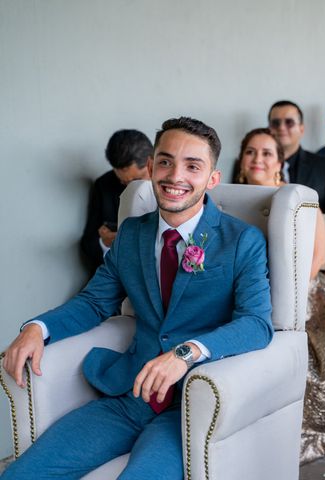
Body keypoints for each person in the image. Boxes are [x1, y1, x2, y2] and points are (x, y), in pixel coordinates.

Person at [1, 117, 273, 479]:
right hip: (129, 397)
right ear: (150, 167)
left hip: (190, 409)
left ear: (212, 179)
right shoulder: (131, 234)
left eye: (192, 166)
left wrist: (184, 353)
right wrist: (37, 328)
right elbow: (95, 302)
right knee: (22, 475)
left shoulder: (242, 240)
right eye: (165, 161)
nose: (175, 176)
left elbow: (256, 324)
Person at [235, 128, 325, 462]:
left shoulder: (300, 199)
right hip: (245, 292)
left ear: (279, 162)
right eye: (251, 152)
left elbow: (317, 257)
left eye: (267, 153)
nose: (258, 159)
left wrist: (283, 300)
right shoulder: (228, 199)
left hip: (302, 290)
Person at [80, 129, 152, 274]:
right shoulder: (104, 184)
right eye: (123, 181)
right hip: (117, 276)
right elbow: (88, 243)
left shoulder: (173, 184)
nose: (130, 188)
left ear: (152, 162)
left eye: (137, 180)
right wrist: (104, 244)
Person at [268, 100, 325, 214]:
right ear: (269, 128)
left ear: (301, 129)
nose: (282, 128)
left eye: (289, 122)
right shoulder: (253, 164)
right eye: (276, 123)